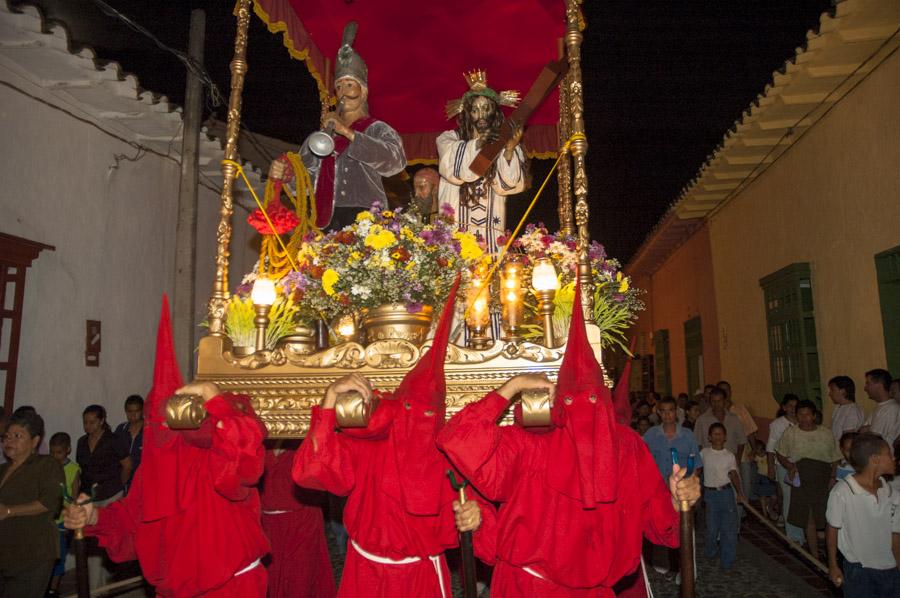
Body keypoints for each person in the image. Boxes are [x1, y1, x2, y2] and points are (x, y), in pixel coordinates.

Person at [436, 281, 701, 596]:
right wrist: (513, 386)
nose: (586, 417)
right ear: (560, 405)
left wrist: (679, 497)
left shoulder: (627, 447)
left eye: (593, 402)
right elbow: (457, 440)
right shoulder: (531, 443)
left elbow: (661, 523)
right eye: (575, 401)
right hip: (528, 587)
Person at [293, 278, 492, 597]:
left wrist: (476, 517)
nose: (419, 420)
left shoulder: (449, 455)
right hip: (365, 571)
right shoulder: (368, 441)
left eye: (429, 413)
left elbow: (478, 514)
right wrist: (329, 400)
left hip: (420, 576)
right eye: (411, 407)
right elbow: (312, 472)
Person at [64, 297, 270, 596]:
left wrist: (215, 399)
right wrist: (92, 515)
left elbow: (246, 455)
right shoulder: (153, 472)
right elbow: (130, 520)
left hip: (232, 586)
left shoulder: (213, 453)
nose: (158, 432)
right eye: (152, 424)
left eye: (165, 422)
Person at [270, 22, 406, 231]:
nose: (343, 92)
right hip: (323, 221)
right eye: (339, 86)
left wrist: (348, 133)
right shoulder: (320, 137)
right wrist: (286, 173)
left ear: (364, 91)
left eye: (350, 85)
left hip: (366, 219)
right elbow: (304, 182)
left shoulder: (378, 129)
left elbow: (394, 163)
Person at [438, 69, 525, 255]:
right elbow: (456, 171)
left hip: (491, 233)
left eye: (486, 109)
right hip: (456, 234)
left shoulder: (505, 143)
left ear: (495, 112)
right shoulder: (448, 139)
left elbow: (507, 185)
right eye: (475, 110)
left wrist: (508, 150)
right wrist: (480, 143)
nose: (481, 115)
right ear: (467, 114)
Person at [826, 433, 900, 597]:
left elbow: (895, 532)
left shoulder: (889, 492)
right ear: (874, 459)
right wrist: (833, 565)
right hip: (859, 569)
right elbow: (832, 529)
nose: (893, 458)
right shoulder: (842, 492)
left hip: (889, 567)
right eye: (888, 454)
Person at [0, 410, 64, 598]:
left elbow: (50, 502)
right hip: (5, 553)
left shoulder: (46, 465)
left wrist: (9, 511)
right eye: (7, 436)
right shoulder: (3, 469)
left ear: (35, 441)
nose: (9, 441)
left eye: (18, 436)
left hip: (33, 554)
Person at [259, 441, 335, 598]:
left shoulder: (303, 435)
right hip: (268, 524)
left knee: (301, 581)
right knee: (271, 581)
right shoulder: (257, 436)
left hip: (302, 520)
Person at [642, 396, 702, 575]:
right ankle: (664, 568)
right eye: (664, 411)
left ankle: (687, 572)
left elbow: (696, 464)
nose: (668, 415)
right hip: (658, 494)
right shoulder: (651, 435)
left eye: (671, 410)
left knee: (685, 533)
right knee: (661, 530)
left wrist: (690, 486)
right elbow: (641, 460)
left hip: (681, 493)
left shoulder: (687, 436)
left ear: (676, 412)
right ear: (659, 413)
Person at [776, 400, 842, 558]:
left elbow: (835, 457)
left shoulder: (825, 433)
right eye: (800, 414)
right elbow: (781, 453)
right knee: (808, 516)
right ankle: (814, 555)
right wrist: (790, 466)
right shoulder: (790, 433)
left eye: (807, 414)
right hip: (802, 476)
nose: (804, 418)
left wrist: (833, 476)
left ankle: (831, 552)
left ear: (814, 416)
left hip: (822, 476)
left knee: (827, 514)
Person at [75, 404, 132, 589]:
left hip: (111, 494)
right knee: (93, 544)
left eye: (92, 422)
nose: (88, 426)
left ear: (101, 421)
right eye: (85, 422)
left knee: (112, 539)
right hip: (91, 497)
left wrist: (119, 487)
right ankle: (95, 587)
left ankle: (112, 579)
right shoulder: (82, 442)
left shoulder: (113, 440)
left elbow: (127, 465)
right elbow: (81, 471)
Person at [698, 422, 746, 570]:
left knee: (728, 529)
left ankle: (727, 560)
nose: (718, 436)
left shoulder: (729, 455)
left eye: (721, 434)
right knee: (712, 528)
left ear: (725, 437)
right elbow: (698, 471)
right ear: (709, 437)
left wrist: (739, 492)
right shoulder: (704, 453)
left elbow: (733, 474)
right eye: (715, 434)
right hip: (710, 496)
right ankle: (711, 551)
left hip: (726, 494)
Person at [47, 432, 80, 598]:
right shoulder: (48, 466)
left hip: (63, 521)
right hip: (49, 518)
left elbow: (74, 497)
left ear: (68, 450)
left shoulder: (73, 469)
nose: (55, 456)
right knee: (47, 555)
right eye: (52, 452)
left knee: (59, 557)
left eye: (59, 452)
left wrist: (70, 519)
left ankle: (53, 589)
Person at [718, 380, 758, 512]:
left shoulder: (739, 409)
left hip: (742, 457)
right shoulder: (714, 412)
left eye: (727, 390)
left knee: (743, 488)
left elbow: (750, 430)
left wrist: (754, 449)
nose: (725, 393)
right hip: (721, 458)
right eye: (722, 390)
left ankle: (738, 521)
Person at [766, 394, 802, 537]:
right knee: (788, 497)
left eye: (795, 406)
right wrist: (770, 467)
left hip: (799, 465)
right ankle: (792, 533)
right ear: (784, 408)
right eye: (790, 406)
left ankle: (799, 530)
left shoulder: (801, 422)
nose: (793, 409)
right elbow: (770, 447)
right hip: (782, 464)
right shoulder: (778, 424)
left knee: (797, 497)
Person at [694, 387, 747, 461]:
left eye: (719, 401)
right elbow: (698, 443)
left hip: (730, 462)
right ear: (710, 402)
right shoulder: (702, 420)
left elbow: (741, 440)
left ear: (724, 401)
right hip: (710, 462)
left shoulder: (734, 419)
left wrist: (738, 458)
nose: (716, 404)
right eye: (713, 401)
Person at [860, 369, 900, 449]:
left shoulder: (891, 408)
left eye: (868, 383)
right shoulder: (881, 407)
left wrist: (868, 429)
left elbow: (874, 440)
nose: (865, 388)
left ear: (878, 385)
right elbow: (862, 431)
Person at [114, 394, 144, 493]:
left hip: (142, 483)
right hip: (122, 483)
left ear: (143, 411)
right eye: (130, 411)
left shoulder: (149, 431)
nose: (133, 415)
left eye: (137, 411)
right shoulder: (120, 430)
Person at [828, 375, 864, 443]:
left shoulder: (852, 411)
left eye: (832, 390)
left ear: (843, 391)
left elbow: (847, 439)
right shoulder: (838, 408)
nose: (830, 394)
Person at [751, 439, 777, 521]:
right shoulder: (756, 457)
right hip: (761, 478)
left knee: (774, 497)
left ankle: (770, 507)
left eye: (758, 449)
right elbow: (750, 457)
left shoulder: (768, 456)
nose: (757, 451)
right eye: (756, 449)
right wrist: (753, 453)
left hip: (769, 478)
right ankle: (764, 515)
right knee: (762, 497)